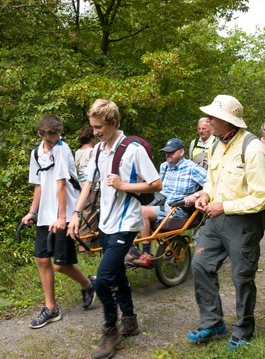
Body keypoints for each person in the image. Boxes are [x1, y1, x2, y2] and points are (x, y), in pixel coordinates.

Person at [67, 99, 162, 359]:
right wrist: (76, 214)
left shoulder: (132, 150)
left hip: (127, 222)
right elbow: (87, 184)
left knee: (104, 279)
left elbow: (156, 184)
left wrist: (124, 186)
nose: (95, 132)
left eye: (99, 127)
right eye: (93, 127)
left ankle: (111, 330)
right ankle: (129, 320)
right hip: (105, 223)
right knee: (118, 272)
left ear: (113, 123)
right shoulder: (97, 150)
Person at [187, 95, 265, 351]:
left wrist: (224, 206)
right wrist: (204, 194)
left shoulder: (252, 147)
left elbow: (262, 198)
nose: (208, 120)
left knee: (241, 277)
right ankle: (213, 323)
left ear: (227, 120)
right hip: (215, 219)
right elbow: (213, 181)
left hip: (243, 222)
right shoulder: (216, 145)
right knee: (200, 264)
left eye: (212, 117)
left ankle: (243, 330)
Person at [20, 115, 96, 330]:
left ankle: (89, 285)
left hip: (64, 212)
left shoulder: (61, 149)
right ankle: (51, 308)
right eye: (50, 138)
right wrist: (32, 212)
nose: (54, 141)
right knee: (42, 260)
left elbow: (61, 184)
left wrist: (62, 217)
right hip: (45, 215)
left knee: (60, 264)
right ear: (40, 134)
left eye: (57, 136)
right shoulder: (36, 153)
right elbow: (39, 185)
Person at [129, 138, 207, 267]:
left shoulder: (192, 168)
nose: (167, 155)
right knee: (129, 209)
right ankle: (132, 250)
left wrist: (196, 195)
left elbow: (212, 184)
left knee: (142, 211)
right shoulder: (164, 166)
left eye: (171, 152)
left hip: (178, 208)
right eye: (166, 152)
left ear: (181, 152)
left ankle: (146, 253)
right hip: (161, 204)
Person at [74, 126, 99, 250]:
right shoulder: (92, 151)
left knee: (86, 215)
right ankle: (83, 247)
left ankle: (95, 243)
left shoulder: (78, 152)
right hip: (92, 187)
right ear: (91, 137)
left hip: (81, 187)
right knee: (91, 215)